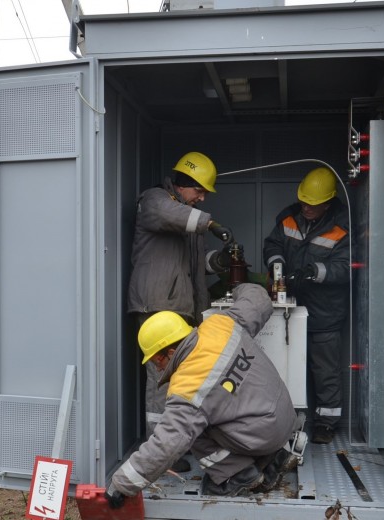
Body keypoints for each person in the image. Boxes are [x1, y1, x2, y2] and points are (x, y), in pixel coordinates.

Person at [106, 283, 299, 501]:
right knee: (224, 409)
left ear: (169, 353)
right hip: (285, 418)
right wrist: (237, 288)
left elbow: (167, 443)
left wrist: (121, 485)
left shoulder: (188, 385)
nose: (158, 368)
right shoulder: (220, 324)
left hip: (262, 435)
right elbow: (258, 301)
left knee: (193, 431)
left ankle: (238, 476)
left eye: (155, 361)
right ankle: (274, 458)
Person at [127, 151, 234, 472]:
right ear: (185, 183)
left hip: (178, 310)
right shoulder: (155, 201)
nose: (201, 198)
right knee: (160, 383)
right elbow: (172, 215)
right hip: (157, 307)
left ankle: (172, 447)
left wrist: (220, 261)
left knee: (178, 382)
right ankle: (160, 456)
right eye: (199, 191)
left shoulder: (186, 215)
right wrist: (212, 224)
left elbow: (192, 266)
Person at [262, 166, 350, 445]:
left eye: (312, 204)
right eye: (303, 202)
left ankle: (326, 424)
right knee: (283, 366)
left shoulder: (342, 227)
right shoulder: (289, 217)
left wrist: (315, 271)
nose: (306, 208)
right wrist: (277, 262)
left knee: (324, 371)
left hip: (324, 312)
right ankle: (284, 422)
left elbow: (347, 268)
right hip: (289, 309)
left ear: (328, 202)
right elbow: (272, 244)